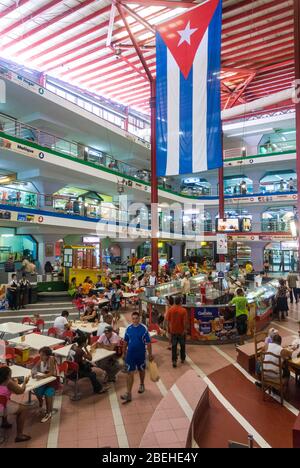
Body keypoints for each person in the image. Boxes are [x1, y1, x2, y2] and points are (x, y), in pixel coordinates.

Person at [121, 311, 153, 404]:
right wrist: (124, 352)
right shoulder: (128, 328)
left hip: (140, 354)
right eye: (133, 318)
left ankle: (142, 384)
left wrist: (150, 354)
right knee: (129, 373)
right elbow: (125, 341)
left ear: (139, 319)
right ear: (132, 319)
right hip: (130, 354)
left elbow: (148, 342)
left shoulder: (144, 328)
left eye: (136, 318)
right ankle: (128, 393)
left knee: (141, 370)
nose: (135, 320)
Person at [0, 366, 31, 443]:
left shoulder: (4, 380)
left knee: (8, 400)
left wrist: (14, 383)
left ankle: (4, 422)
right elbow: (20, 391)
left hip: (2, 401)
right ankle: (19, 435)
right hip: (1, 406)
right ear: (7, 376)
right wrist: (25, 382)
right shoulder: (8, 382)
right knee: (24, 409)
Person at [32, 347, 59, 423]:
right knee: (36, 389)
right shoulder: (41, 359)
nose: (40, 357)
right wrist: (33, 372)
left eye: (42, 355)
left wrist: (41, 376)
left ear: (47, 355)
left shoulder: (51, 359)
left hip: (54, 380)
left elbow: (51, 373)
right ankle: (41, 401)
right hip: (45, 380)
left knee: (48, 394)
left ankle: (48, 413)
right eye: (40, 355)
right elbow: (34, 368)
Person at [165, 296, 188, 368]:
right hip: (181, 331)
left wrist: (168, 329)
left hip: (173, 331)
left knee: (174, 346)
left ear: (174, 301)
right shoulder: (183, 310)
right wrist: (185, 329)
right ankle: (182, 358)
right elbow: (184, 322)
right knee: (182, 345)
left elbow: (167, 320)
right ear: (181, 302)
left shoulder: (170, 310)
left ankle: (174, 361)